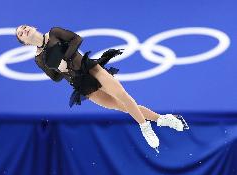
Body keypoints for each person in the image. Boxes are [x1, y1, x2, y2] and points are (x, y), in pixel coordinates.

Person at [15, 25, 189, 152]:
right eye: (21, 34)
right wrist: (58, 68)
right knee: (121, 106)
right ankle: (162, 119)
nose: (24, 31)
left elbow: (77, 39)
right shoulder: (38, 59)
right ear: (24, 43)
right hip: (80, 83)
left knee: (122, 96)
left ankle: (145, 127)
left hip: (91, 69)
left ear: (33, 27)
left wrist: (65, 57)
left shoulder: (54, 33)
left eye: (24, 27)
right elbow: (54, 77)